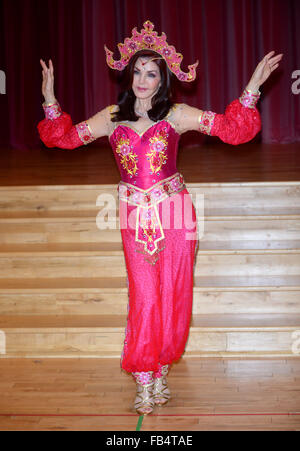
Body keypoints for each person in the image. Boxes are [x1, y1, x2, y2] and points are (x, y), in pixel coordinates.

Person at [37, 20, 283, 416]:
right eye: (137, 71)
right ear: (128, 73)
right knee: (146, 294)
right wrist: (50, 98)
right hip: (135, 215)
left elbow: (233, 129)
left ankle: (161, 368)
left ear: (163, 79)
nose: (143, 79)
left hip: (175, 213)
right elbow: (64, 138)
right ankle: (144, 377)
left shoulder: (178, 115)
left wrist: (253, 86)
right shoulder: (112, 116)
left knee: (173, 293)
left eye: (151, 73)